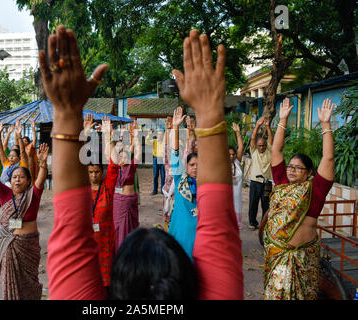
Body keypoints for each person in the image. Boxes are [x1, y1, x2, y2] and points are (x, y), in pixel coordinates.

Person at [44, 26, 242, 300]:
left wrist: (66, 112)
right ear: (193, 280)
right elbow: (219, 224)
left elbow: (71, 236)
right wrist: (208, 110)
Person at [262, 97, 335, 300]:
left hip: (305, 259)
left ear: (309, 172)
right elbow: (276, 150)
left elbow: (328, 158)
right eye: (290, 166)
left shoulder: (316, 190)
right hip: (278, 257)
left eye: (298, 167)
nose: (292, 170)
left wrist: (326, 125)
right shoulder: (282, 183)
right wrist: (283, 120)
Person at [0, 136, 49, 300]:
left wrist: (42, 164)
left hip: (28, 246)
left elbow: (41, 180)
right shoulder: (4, 193)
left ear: (28, 181)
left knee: (30, 282)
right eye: (14, 177)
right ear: (10, 180)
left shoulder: (33, 195)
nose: (17, 179)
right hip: (7, 244)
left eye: (21, 176)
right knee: (9, 281)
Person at [84, 114, 120, 287]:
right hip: (87, 240)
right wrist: (85, 133)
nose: (94, 175)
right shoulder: (82, 189)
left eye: (97, 171)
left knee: (106, 283)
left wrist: (108, 136)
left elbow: (114, 164)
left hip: (106, 239)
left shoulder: (108, 187)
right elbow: (75, 165)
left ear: (102, 171)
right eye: (90, 172)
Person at [167, 106, 199, 261]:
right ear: (186, 166)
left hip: (199, 238)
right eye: (192, 165)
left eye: (198, 165)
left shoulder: (205, 185)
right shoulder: (181, 179)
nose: (195, 168)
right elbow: (175, 153)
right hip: (180, 235)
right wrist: (175, 127)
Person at [111, 120, 141, 251]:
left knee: (131, 227)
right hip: (118, 201)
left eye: (125, 156)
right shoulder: (115, 168)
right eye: (120, 156)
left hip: (129, 201)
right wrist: (115, 136)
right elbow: (112, 150)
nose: (122, 158)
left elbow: (137, 150)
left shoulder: (132, 166)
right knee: (118, 228)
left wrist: (136, 135)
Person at [248, 116, 273, 230]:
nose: (262, 147)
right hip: (255, 182)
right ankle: (252, 223)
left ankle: (264, 224)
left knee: (266, 204)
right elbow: (253, 138)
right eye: (259, 145)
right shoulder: (253, 151)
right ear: (256, 146)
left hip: (267, 183)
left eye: (263, 145)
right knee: (253, 203)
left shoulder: (269, 151)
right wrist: (257, 125)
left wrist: (267, 126)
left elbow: (271, 139)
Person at [0, 121, 28, 187]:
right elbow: (1, 150)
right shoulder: (6, 163)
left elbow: (22, 151)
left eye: (13, 156)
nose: (10, 158)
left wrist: (19, 135)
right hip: (5, 191)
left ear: (19, 157)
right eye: (9, 156)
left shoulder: (22, 164)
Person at [230, 122, 244, 229]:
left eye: (233, 154)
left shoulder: (236, 163)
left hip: (237, 199)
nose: (231, 156)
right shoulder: (220, 165)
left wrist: (238, 133)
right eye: (229, 154)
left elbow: (240, 148)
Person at [146, 127, 165, 195]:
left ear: (163, 135)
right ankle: (155, 190)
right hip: (156, 159)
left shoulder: (164, 142)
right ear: (157, 135)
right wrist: (149, 135)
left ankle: (163, 190)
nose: (160, 135)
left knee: (163, 176)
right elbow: (147, 142)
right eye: (158, 134)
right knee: (155, 175)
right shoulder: (154, 141)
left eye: (161, 134)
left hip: (162, 159)